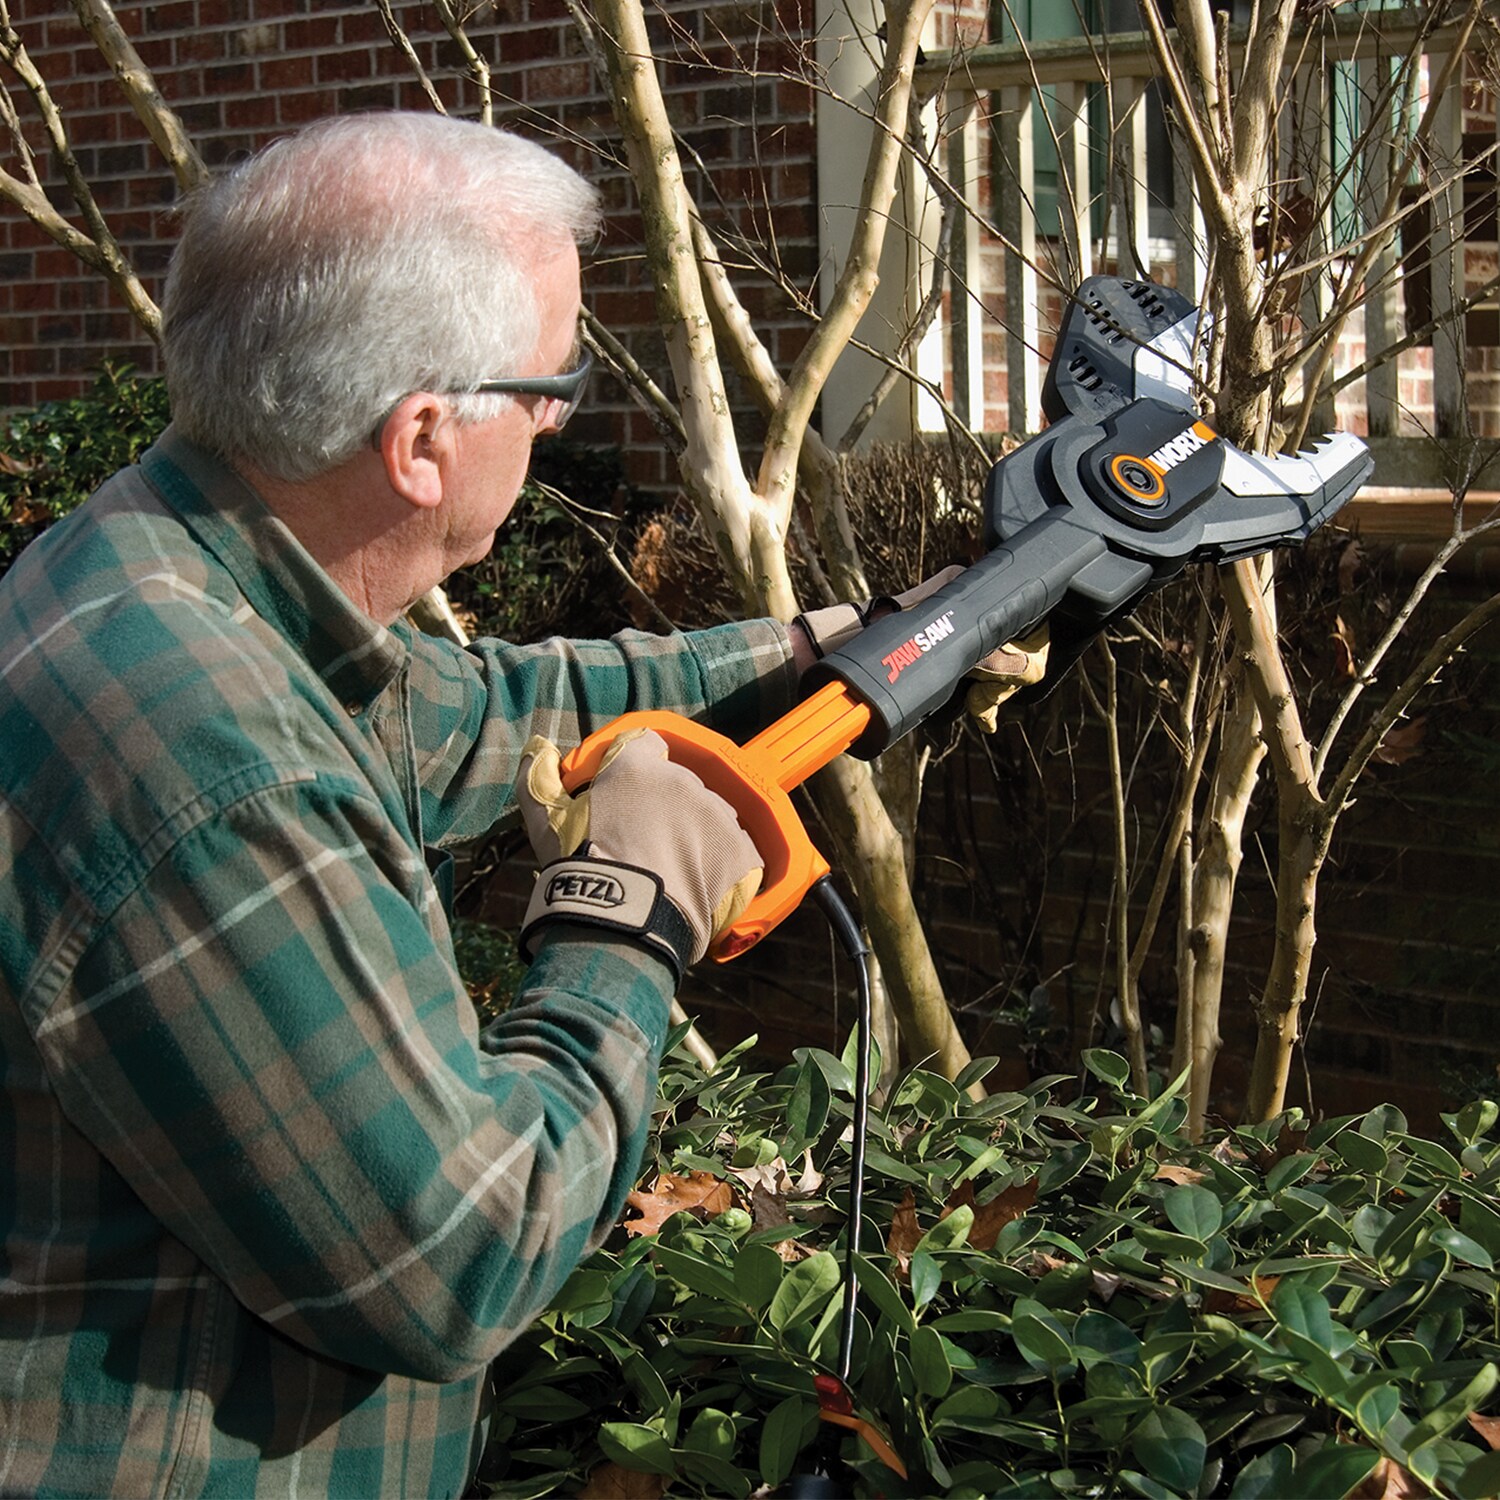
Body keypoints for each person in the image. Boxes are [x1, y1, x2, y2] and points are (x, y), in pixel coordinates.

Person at [0, 112, 1039, 1498]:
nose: (560, 415)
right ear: (423, 439)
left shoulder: (160, 574)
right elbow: (454, 1257)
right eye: (552, 382)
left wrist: (848, 649)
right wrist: (624, 919)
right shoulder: (212, 774)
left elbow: (467, 714)